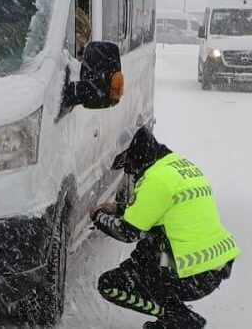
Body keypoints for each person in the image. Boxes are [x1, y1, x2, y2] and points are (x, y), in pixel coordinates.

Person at [91, 127, 239, 328]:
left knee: (112, 283)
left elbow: (128, 232)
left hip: (190, 270)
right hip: (213, 265)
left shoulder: (155, 179)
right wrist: (119, 208)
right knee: (148, 251)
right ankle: (176, 314)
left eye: (126, 163)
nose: (128, 170)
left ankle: (179, 318)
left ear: (135, 152)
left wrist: (98, 216)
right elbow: (160, 210)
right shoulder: (176, 166)